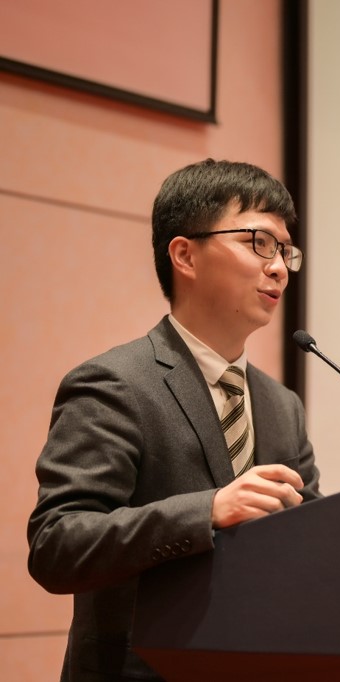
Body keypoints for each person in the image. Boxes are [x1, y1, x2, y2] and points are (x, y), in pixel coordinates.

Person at [27, 159, 321, 681]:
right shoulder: (115, 383)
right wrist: (206, 510)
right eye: (259, 242)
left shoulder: (282, 405)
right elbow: (57, 545)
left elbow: (315, 541)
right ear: (185, 254)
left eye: (285, 250)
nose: (278, 267)